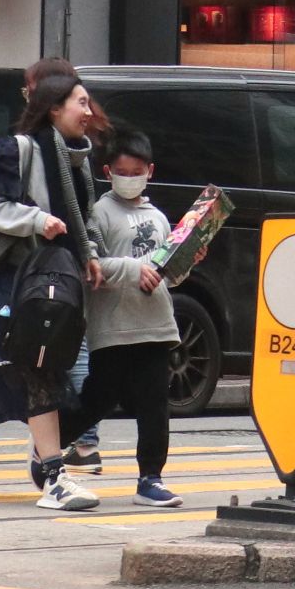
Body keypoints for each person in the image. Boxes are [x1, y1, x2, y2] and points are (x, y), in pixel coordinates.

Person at [0, 70, 102, 511]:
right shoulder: (19, 151)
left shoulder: (73, 160)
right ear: (53, 108)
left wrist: (90, 256)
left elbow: (82, 222)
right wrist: (36, 220)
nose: (88, 112)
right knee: (37, 372)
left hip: (41, 280)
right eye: (80, 103)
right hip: (9, 280)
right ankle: (54, 479)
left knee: (11, 377)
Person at [63, 130, 182, 507]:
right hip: (113, 328)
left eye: (136, 171)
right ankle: (49, 448)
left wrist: (186, 261)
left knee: (154, 405)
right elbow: (93, 265)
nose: (128, 178)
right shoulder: (99, 212)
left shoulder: (159, 217)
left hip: (157, 324)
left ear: (150, 171)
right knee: (98, 399)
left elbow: (171, 275)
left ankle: (151, 477)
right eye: (120, 171)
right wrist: (133, 270)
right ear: (107, 171)